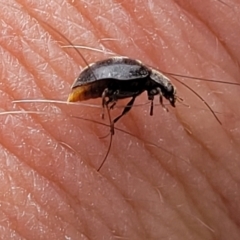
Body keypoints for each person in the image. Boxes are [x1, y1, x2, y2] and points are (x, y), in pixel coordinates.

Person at [0, 1, 239, 239]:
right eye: (165, 94)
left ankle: (108, 108)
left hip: (107, 78)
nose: (163, 96)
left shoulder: (146, 81)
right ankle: (108, 112)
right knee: (113, 95)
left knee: (117, 97)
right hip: (99, 81)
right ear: (159, 86)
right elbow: (130, 84)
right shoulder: (144, 78)